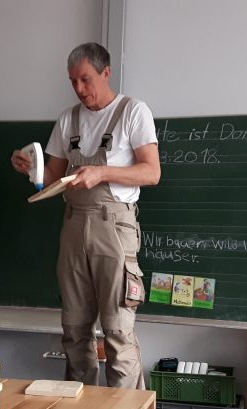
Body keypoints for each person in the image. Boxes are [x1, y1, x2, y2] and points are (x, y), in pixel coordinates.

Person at [11, 42, 161, 389]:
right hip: (73, 225)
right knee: (75, 332)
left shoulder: (133, 112)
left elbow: (152, 173)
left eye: (85, 79)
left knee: (117, 333)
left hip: (114, 226)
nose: (79, 89)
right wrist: (28, 168)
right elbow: (51, 180)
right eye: (72, 81)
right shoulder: (69, 119)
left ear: (106, 72)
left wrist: (102, 173)